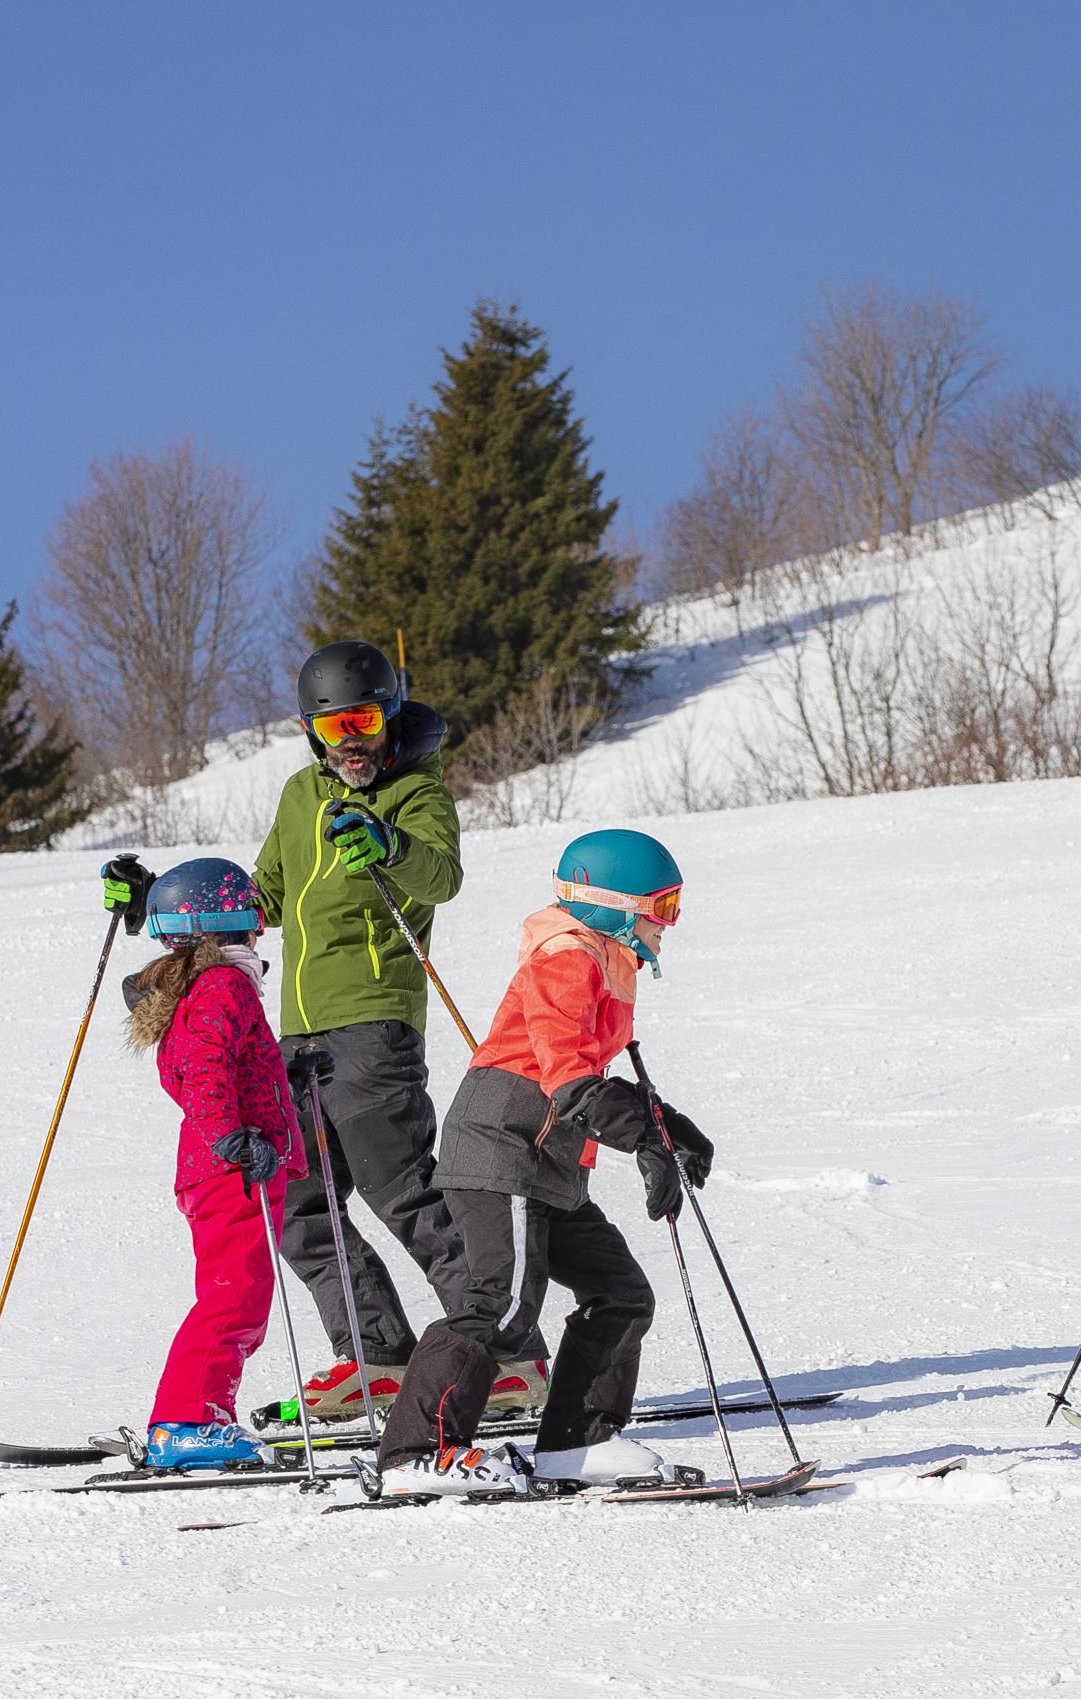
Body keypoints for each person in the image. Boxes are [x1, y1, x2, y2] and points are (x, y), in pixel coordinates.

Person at [101, 639, 547, 1424]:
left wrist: (390, 844)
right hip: (295, 1032)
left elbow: (441, 874)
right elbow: (258, 897)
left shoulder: (415, 791)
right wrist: (158, 903)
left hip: (373, 1021)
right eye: (335, 725)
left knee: (402, 1188)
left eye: (368, 719)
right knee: (298, 1203)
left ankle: (507, 1355)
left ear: (392, 713)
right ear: (311, 728)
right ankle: (377, 1355)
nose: (354, 741)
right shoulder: (300, 797)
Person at [373, 828, 714, 1495]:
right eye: (662, 905)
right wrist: (644, 1137)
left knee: (621, 1294)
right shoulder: (565, 958)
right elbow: (569, 1082)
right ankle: (418, 1452)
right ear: (614, 903)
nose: (668, 922)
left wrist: (669, 1128)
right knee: (498, 1305)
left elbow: (588, 1075)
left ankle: (575, 1444)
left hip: (548, 1162)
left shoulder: (605, 958)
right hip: (505, 1145)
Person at [121, 857, 308, 1470]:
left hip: (234, 1163)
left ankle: (201, 1415)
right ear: (230, 927)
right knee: (233, 1297)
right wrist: (232, 1137)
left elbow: (225, 1061)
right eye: (255, 923)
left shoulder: (208, 985)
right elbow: (202, 1070)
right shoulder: (224, 983)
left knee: (243, 1298)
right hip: (233, 1166)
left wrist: (285, 1074)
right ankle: (184, 1423)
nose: (259, 933)